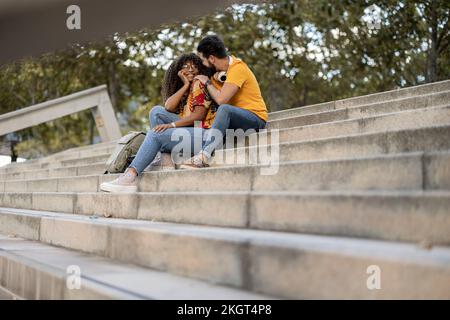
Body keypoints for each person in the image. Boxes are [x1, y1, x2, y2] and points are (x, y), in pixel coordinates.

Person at [100, 53, 216, 193]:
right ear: (178, 70)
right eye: (185, 66)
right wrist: (185, 85)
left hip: (205, 135)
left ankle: (129, 178)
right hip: (193, 131)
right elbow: (168, 107)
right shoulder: (189, 88)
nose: (190, 69)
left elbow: (199, 115)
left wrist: (171, 125)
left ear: (200, 69)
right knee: (156, 112)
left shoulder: (199, 83)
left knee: (155, 134)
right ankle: (166, 159)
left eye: (194, 66)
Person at [180, 34, 268, 168]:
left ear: (211, 58)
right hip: (233, 122)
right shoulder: (219, 73)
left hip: (255, 118)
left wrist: (208, 82)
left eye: (202, 60)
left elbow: (221, 100)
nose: (201, 64)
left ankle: (203, 156)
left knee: (224, 109)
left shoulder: (238, 68)